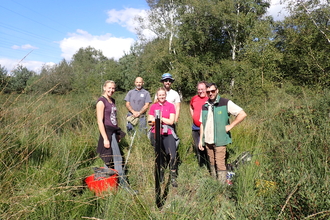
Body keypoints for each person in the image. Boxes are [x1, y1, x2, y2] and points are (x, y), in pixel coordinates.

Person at [198, 82, 247, 184]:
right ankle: (214, 181)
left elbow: (242, 114)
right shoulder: (205, 106)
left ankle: (221, 186)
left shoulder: (225, 103)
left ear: (217, 91)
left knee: (220, 162)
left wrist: (230, 126)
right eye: (208, 92)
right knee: (211, 162)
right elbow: (202, 123)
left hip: (220, 139)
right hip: (208, 140)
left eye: (212, 91)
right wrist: (200, 139)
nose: (210, 93)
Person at [96, 80, 136, 193]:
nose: (111, 90)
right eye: (109, 88)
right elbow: (100, 121)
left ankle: (107, 185)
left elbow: (114, 117)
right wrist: (105, 138)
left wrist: (118, 133)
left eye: (113, 88)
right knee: (117, 159)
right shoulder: (101, 101)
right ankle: (124, 185)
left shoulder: (112, 100)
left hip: (114, 131)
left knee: (108, 159)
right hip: (107, 132)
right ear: (104, 87)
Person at [148, 87, 179, 187]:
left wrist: (159, 118)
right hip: (155, 133)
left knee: (172, 155)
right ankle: (160, 175)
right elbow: (149, 121)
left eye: (163, 95)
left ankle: (173, 176)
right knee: (159, 155)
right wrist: (156, 120)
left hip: (168, 133)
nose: (161, 96)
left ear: (165, 95)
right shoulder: (153, 106)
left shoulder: (170, 106)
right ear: (157, 95)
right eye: (159, 95)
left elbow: (171, 121)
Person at [190, 81, 209, 167]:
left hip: (206, 128)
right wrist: (193, 115)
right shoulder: (194, 98)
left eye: (202, 89)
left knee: (207, 147)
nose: (200, 91)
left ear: (206, 89)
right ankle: (201, 164)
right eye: (199, 89)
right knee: (198, 146)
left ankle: (209, 164)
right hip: (195, 127)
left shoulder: (209, 98)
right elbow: (191, 107)